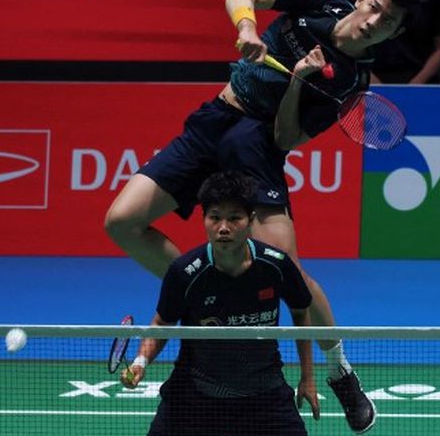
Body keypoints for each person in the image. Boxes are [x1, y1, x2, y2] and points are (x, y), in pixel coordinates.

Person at [106, 0, 414, 432]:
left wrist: (300, 82)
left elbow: (286, 137)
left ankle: (340, 372)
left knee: (291, 271)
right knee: (122, 221)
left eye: (387, 23)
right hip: (215, 120)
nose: (374, 22)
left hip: (258, 145)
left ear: (394, 34)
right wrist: (248, 28)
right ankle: (201, 298)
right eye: (375, 8)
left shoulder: (349, 81)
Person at [121, 171, 319, 436]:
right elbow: (161, 324)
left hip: (263, 392)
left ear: (250, 220)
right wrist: (140, 363)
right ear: (204, 220)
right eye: (214, 217)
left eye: (234, 218)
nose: (223, 227)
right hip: (195, 394)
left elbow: (300, 311)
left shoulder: (276, 265)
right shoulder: (185, 272)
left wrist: (307, 377)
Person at [344, 0, 440, 84]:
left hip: (419, 82)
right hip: (365, 76)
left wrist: (414, 87)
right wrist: (368, 77)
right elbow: (346, 37)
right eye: (373, 7)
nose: (373, 22)